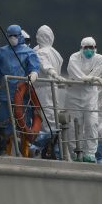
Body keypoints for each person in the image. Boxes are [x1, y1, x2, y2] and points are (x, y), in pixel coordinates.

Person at [0, 23, 43, 156]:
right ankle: (4, 152)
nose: (12, 38)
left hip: (23, 97)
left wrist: (32, 76)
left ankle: (25, 153)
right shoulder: (1, 53)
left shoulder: (29, 53)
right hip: (4, 95)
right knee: (3, 125)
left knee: (24, 125)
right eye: (10, 36)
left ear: (20, 36)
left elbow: (34, 69)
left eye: (15, 36)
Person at [65, 36, 102, 162]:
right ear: (81, 48)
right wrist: (92, 79)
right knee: (73, 126)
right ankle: (75, 153)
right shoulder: (74, 58)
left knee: (92, 123)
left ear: (96, 48)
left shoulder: (99, 58)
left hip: (90, 97)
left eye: (92, 47)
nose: (89, 50)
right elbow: (77, 75)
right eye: (86, 47)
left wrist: (90, 79)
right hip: (74, 97)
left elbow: (95, 74)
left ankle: (90, 153)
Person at [29, 25, 64, 156]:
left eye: (39, 35)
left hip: (42, 89)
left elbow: (45, 66)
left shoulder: (41, 53)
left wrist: (53, 74)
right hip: (53, 88)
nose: (37, 37)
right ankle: (56, 148)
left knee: (46, 119)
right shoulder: (55, 53)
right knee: (53, 116)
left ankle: (46, 147)